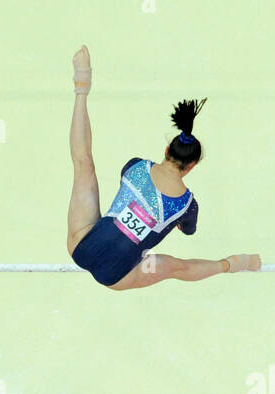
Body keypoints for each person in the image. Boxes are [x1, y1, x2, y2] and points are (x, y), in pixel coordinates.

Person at [66, 46, 261, 290]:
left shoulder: (135, 166)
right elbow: (188, 231)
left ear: (167, 150)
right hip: (117, 276)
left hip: (81, 243)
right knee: (178, 268)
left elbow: (128, 195)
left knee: (83, 164)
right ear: (192, 166)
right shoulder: (187, 206)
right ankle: (230, 264)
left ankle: (81, 86)